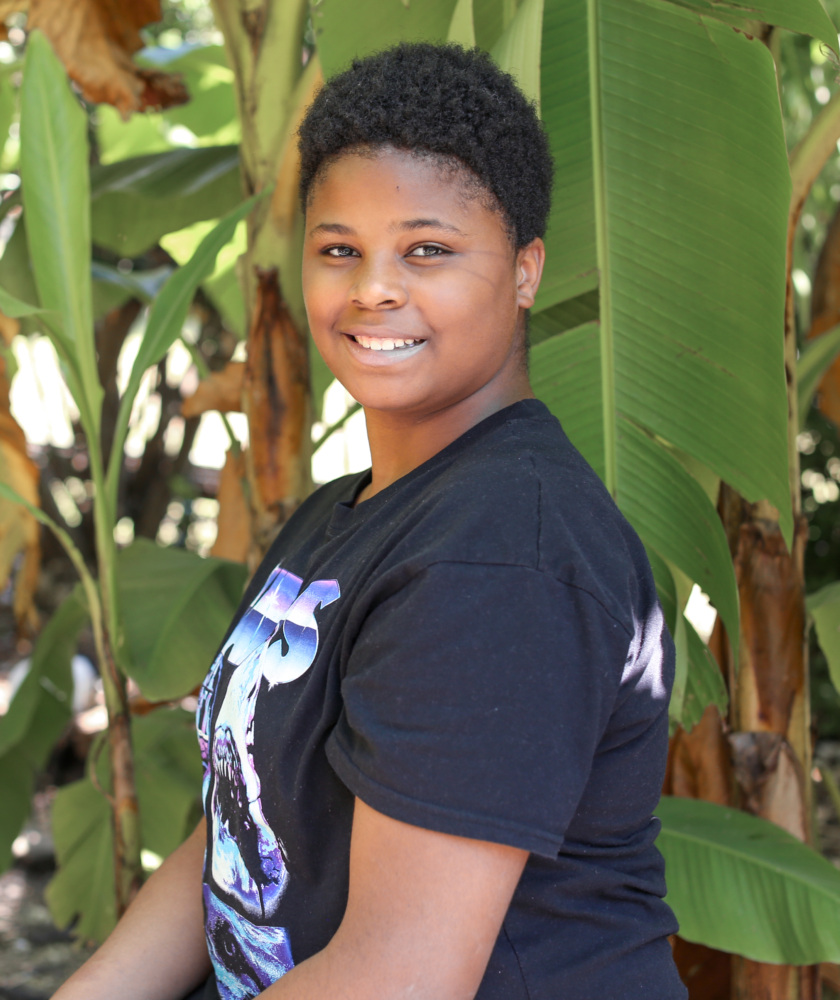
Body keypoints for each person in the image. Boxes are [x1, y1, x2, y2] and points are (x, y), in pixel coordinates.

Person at [53, 42, 683, 1000]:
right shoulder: (343, 516)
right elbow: (240, 827)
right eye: (339, 249)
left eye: (427, 250)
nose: (373, 287)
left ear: (524, 270)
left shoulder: (503, 551)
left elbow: (401, 977)